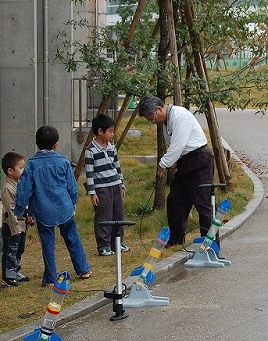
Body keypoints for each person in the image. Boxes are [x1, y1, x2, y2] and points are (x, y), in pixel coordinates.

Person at [14, 125, 92, 287]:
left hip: (42, 211)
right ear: (56, 144)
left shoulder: (31, 165)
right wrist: (73, 203)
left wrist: (20, 210)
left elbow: (24, 189)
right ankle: (83, 269)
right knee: (73, 238)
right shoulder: (63, 162)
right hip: (64, 207)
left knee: (48, 244)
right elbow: (71, 187)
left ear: (36, 143)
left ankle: (50, 278)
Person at [138, 95, 215, 246]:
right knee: (175, 201)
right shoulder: (167, 121)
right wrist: (174, 161)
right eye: (149, 120)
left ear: (159, 109)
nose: (153, 122)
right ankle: (176, 240)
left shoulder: (180, 116)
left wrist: (163, 164)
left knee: (203, 204)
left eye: (152, 118)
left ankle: (209, 244)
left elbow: (178, 145)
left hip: (199, 161)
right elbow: (178, 146)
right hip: (185, 162)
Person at [84, 113, 128, 256]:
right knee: (104, 216)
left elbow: (117, 167)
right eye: (110, 131)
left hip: (115, 185)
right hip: (102, 188)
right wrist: (92, 193)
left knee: (118, 214)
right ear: (100, 131)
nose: (112, 134)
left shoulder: (112, 148)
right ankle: (103, 245)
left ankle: (117, 242)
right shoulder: (90, 151)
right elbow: (89, 174)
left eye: (113, 131)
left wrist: (122, 185)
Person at [0, 151, 32, 287]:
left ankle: (16, 270)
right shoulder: (8, 188)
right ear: (10, 171)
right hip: (12, 226)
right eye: (21, 167)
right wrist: (15, 229)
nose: (23, 170)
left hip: (22, 224)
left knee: (20, 248)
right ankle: (8, 274)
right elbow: (10, 210)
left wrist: (29, 216)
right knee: (10, 250)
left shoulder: (21, 185)